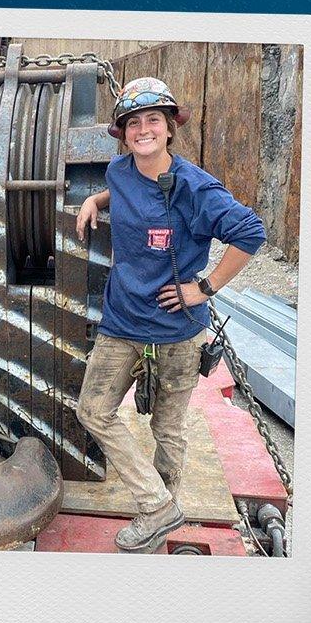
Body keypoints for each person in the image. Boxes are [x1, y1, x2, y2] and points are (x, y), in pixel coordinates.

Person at [75, 77, 266, 552]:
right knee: (93, 411)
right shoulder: (119, 173)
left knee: (168, 428)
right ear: (123, 134)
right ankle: (158, 504)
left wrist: (204, 287)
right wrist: (94, 200)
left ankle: (159, 510)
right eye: (133, 123)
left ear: (168, 128)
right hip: (122, 322)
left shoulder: (195, 188)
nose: (143, 130)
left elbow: (251, 232)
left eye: (152, 121)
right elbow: (121, 193)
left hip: (178, 332)